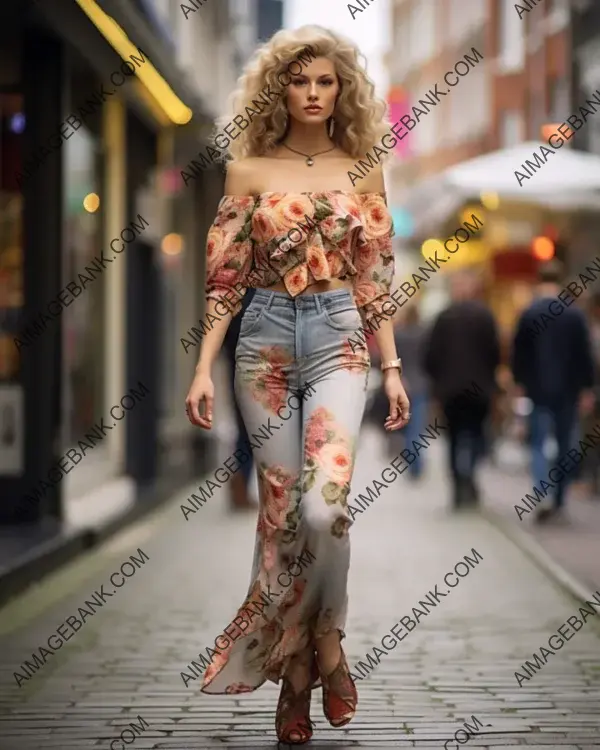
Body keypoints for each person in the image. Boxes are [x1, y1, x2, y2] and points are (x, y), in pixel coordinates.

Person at [184, 26, 410, 746]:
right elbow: (225, 280)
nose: (313, 94)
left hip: (341, 336)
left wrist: (394, 365)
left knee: (324, 504)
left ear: (342, 89)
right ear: (279, 89)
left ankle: (326, 643)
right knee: (282, 517)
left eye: (326, 82)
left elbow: (375, 277)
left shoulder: (365, 168)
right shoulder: (247, 171)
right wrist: (201, 368)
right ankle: (297, 683)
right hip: (264, 344)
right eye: (299, 81)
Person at [511, 259, 595, 523]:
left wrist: (519, 382)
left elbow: (518, 354)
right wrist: (587, 388)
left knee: (537, 443)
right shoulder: (574, 314)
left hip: (537, 389)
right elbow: (585, 355)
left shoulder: (529, 312)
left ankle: (541, 494)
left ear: (539, 279)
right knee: (565, 444)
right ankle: (558, 499)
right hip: (568, 391)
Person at [423, 270, 500, 508]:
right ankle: (469, 475)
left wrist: (437, 384)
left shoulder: (444, 317)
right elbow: (495, 353)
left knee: (455, 438)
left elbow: (430, 356)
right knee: (476, 434)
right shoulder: (485, 316)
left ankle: (459, 483)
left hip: (450, 390)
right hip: (479, 389)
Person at [222, 288, 257, 510]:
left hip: (241, 362)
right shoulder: (253, 293)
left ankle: (240, 481)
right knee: (249, 428)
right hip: (250, 364)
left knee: (247, 427)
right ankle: (240, 482)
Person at [388, 305, 429, 479]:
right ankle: (416, 464)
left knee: (405, 424)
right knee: (416, 426)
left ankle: (411, 461)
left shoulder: (399, 335)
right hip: (421, 384)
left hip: (403, 383)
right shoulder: (425, 335)